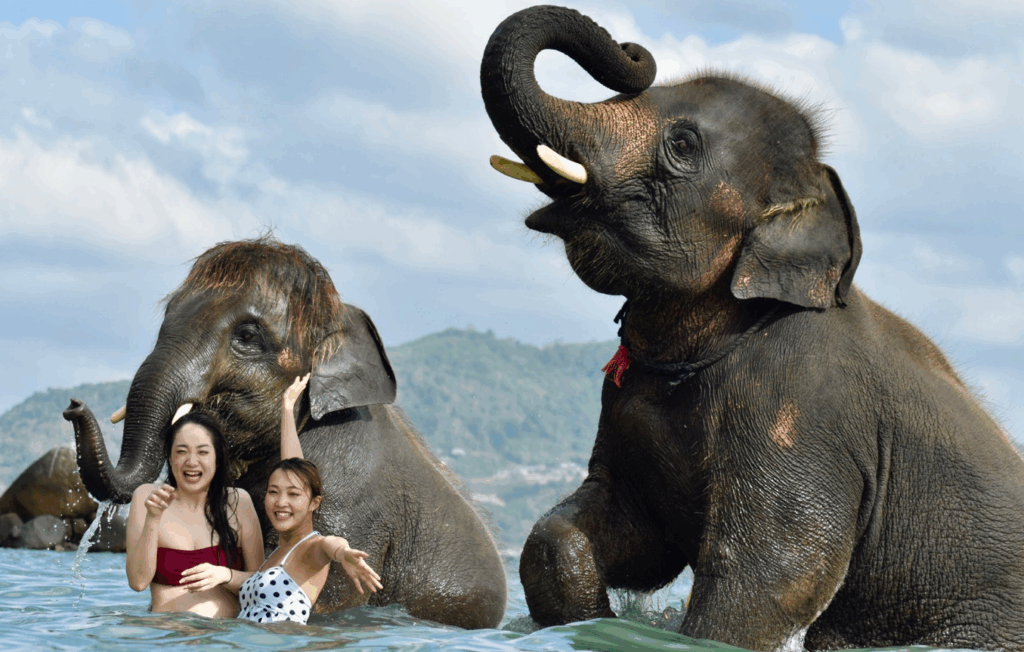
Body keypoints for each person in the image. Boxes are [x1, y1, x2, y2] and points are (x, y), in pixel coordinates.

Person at [235, 373, 383, 624]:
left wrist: (343, 552)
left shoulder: (310, 549)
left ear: (315, 502)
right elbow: (293, 471)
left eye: (293, 495)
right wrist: (287, 408)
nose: (281, 502)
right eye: (273, 492)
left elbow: (329, 544)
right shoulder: (278, 553)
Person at [126, 411, 264, 617]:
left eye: (203, 452)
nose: (191, 462)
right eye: (181, 451)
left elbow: (261, 584)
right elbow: (138, 582)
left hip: (228, 632)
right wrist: (153, 519)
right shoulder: (148, 497)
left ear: (217, 458)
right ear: (170, 457)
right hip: (165, 632)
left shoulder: (239, 501)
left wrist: (225, 575)